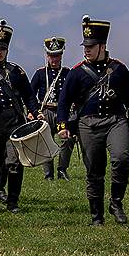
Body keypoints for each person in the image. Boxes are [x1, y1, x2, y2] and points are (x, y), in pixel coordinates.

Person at [57, 15, 129, 225]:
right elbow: (64, 102)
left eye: (91, 46)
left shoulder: (119, 69)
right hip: (88, 124)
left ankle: (116, 202)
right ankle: (97, 216)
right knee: (94, 171)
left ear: (102, 46)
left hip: (116, 121)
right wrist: (63, 125)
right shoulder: (76, 73)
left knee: (121, 158)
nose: (87, 49)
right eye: (85, 45)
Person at [0, 19, 37, 214]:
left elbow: (29, 95)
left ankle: (13, 202)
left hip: (14, 123)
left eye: (2, 49)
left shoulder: (16, 71)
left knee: (15, 163)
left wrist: (34, 110)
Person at [30, 37, 74, 181]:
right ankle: (48, 174)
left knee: (68, 139)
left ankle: (62, 169)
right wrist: (35, 112)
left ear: (61, 55)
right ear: (47, 55)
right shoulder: (40, 73)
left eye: (57, 55)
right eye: (51, 55)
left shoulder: (68, 73)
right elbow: (30, 94)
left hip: (63, 112)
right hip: (46, 111)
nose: (54, 59)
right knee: (45, 141)